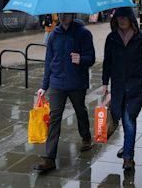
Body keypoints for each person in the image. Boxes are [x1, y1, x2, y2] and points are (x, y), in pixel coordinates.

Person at [102, 7, 142, 170]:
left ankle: (128, 157)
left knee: (129, 118)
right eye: (118, 18)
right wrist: (104, 83)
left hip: (136, 85)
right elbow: (107, 61)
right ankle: (127, 146)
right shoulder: (112, 38)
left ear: (130, 19)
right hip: (118, 85)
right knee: (118, 115)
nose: (121, 20)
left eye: (124, 17)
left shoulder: (141, 38)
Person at [34, 13, 96, 172]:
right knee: (54, 117)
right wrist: (44, 86)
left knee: (80, 110)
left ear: (72, 14)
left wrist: (81, 59)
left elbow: (92, 58)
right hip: (57, 83)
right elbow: (49, 61)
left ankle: (86, 137)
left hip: (76, 82)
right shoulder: (54, 34)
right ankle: (49, 158)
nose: (62, 17)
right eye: (60, 14)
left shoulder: (83, 33)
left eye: (66, 14)